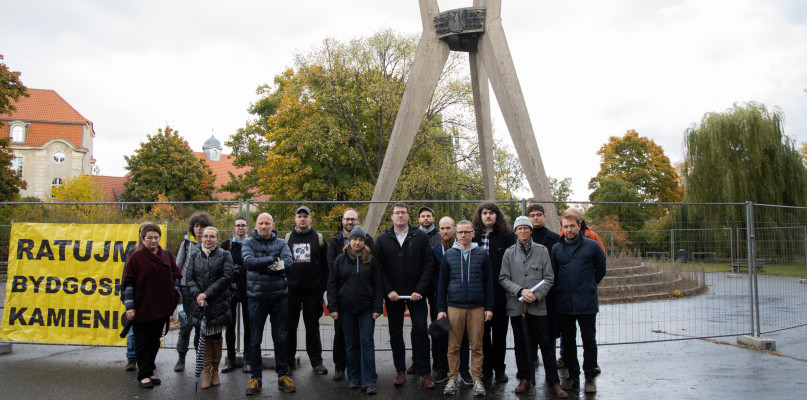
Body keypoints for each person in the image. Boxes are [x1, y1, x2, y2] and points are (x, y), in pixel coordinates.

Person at [499, 216, 568, 398]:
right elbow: (503, 278)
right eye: (519, 228)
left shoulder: (542, 251)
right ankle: (525, 378)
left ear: (531, 230)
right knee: (521, 345)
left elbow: (549, 278)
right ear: (515, 231)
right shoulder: (509, 253)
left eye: (526, 228)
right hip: (517, 307)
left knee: (546, 345)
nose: (522, 231)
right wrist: (521, 291)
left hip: (538, 307)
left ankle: (554, 382)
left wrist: (535, 295)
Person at [376, 202, 435, 388]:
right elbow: (378, 268)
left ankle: (425, 373)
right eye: (397, 213)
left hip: (416, 295)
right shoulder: (383, 239)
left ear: (408, 216)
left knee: (420, 331)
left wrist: (420, 290)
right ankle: (400, 371)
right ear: (391, 216)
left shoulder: (420, 236)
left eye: (403, 213)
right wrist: (388, 290)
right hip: (393, 296)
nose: (400, 215)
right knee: (396, 333)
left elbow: (428, 265)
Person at [436, 220, 494, 396]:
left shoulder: (482, 254)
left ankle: (477, 379)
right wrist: (441, 308)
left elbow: (488, 282)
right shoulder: (450, 255)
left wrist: (489, 306)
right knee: (453, 346)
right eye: (460, 232)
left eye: (466, 232)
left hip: (477, 307)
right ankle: (452, 379)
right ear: (457, 234)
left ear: (473, 234)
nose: (463, 235)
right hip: (454, 306)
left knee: (477, 346)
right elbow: (442, 284)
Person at [552, 211, 607, 394]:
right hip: (564, 302)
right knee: (568, 341)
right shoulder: (556, 249)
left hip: (586, 302)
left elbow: (601, 269)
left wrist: (589, 285)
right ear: (562, 228)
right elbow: (554, 273)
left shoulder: (592, 246)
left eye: (572, 226)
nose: (569, 229)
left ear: (579, 225)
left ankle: (589, 376)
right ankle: (573, 376)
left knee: (589, 340)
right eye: (565, 227)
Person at [123, 223, 181, 389]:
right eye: (149, 238)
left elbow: (176, 275)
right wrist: (130, 307)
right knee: (142, 341)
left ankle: (149, 370)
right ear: (143, 239)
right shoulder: (136, 257)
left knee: (155, 341)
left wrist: (175, 292)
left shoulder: (166, 255)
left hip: (162, 306)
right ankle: (143, 374)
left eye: (156, 237)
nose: (153, 240)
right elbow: (128, 283)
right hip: (142, 306)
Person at [242, 213, 295, 395]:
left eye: (267, 223)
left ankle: (283, 375)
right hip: (256, 298)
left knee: (280, 338)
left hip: (279, 297)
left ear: (273, 225)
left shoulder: (281, 243)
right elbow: (249, 263)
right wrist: (273, 260)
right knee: (254, 340)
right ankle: (256, 378)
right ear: (255, 225)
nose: (264, 226)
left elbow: (288, 264)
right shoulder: (248, 243)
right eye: (260, 223)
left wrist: (262, 266)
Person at [327, 226, 384, 395]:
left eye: (360, 240)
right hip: (345, 309)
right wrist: (333, 307)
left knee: (366, 343)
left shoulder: (371, 260)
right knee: (351, 345)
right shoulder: (340, 260)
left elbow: (378, 285)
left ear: (364, 242)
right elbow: (332, 285)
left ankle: (369, 380)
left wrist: (377, 307)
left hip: (366, 309)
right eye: (354, 239)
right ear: (349, 241)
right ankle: (353, 377)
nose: (357, 242)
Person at [471, 201, 515, 382]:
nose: (488, 216)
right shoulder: (474, 237)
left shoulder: (507, 236)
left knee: (499, 334)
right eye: (484, 213)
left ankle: (499, 368)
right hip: (478, 294)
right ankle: (486, 368)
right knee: (482, 335)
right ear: (480, 216)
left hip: (500, 293)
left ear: (497, 216)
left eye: (491, 213)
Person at [186, 226, 234, 389]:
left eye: (211, 236)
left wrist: (207, 294)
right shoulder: (194, 256)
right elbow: (189, 279)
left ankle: (215, 372)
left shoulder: (225, 255)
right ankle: (207, 371)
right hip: (200, 305)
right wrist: (199, 296)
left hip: (218, 303)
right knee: (204, 338)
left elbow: (226, 277)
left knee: (216, 338)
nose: (207, 239)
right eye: (205, 236)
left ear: (217, 239)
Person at [285, 206, 329, 374]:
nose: (302, 219)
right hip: (291, 292)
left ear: (311, 219)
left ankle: (316, 362)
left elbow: (326, 267)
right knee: (290, 328)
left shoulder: (319, 239)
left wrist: (321, 289)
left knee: (312, 328)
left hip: (313, 292)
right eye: (299, 216)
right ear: (295, 219)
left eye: (305, 216)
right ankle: (288, 362)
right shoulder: (287, 238)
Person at [431, 217, 472, 386]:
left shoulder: (463, 248)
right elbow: (432, 273)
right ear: (439, 230)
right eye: (442, 228)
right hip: (440, 298)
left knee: (462, 336)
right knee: (440, 335)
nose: (445, 231)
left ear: (454, 229)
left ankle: (464, 369)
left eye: (448, 228)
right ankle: (442, 369)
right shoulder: (434, 250)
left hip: (459, 299)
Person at [174, 212, 214, 372]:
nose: (198, 229)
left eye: (202, 226)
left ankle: (200, 359)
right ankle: (181, 357)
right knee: (185, 326)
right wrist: (177, 289)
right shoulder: (186, 244)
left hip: (203, 291)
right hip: (186, 289)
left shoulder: (211, 245)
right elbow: (177, 267)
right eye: (196, 226)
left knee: (200, 327)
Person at [526, 203, 560, 367]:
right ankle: (532, 359)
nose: (536, 218)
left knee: (549, 329)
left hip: (549, 290)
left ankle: (550, 362)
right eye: (532, 215)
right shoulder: (523, 238)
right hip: (529, 290)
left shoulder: (554, 239)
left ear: (544, 216)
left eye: (538, 214)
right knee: (530, 327)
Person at [121, 222, 152, 372]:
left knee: (149, 332)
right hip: (135, 297)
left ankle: (146, 360)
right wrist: (126, 299)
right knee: (133, 330)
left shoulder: (159, 253)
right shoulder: (133, 252)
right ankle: (132, 358)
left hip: (150, 298)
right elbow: (126, 276)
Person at [221, 216, 250, 373]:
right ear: (234, 228)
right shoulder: (226, 245)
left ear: (247, 227)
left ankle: (247, 358)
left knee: (248, 325)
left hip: (247, 289)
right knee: (230, 325)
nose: (240, 228)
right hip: (230, 290)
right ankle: (231, 359)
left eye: (243, 225)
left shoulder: (252, 244)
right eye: (238, 225)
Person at [415, 206, 440, 377]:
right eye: (423, 216)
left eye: (428, 216)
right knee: (418, 325)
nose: (425, 218)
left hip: (436, 284)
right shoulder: (414, 235)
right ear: (418, 219)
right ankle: (417, 360)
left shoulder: (439, 235)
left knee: (437, 324)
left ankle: (438, 361)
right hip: (418, 285)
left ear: (433, 218)